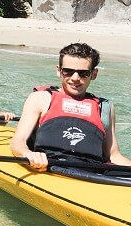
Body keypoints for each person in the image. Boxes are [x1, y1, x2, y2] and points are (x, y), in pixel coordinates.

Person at [10, 42, 131, 170]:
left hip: (91, 172)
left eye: (83, 73)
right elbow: (18, 141)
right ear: (59, 71)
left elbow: (114, 155)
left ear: (94, 74)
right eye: (68, 71)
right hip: (48, 167)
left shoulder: (105, 107)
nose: (75, 78)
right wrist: (27, 154)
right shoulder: (40, 98)